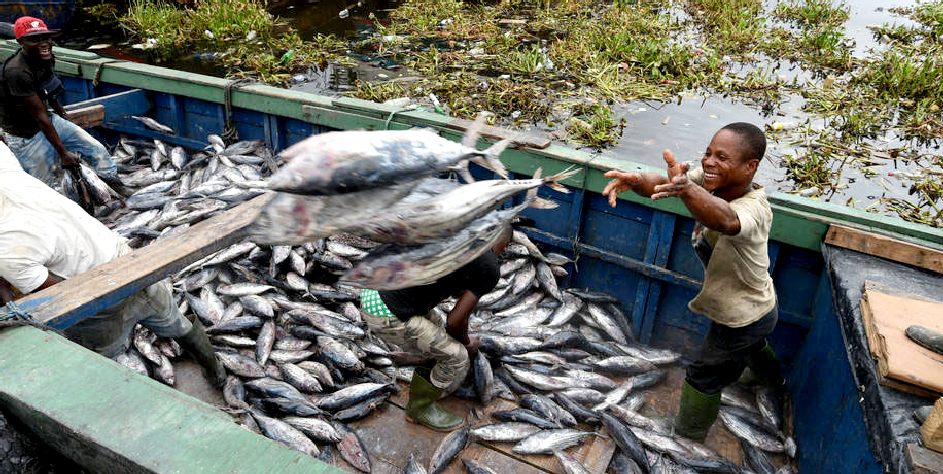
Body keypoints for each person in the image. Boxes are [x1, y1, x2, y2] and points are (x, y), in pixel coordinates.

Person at [602, 122, 781, 441]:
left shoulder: (756, 209)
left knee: (703, 375)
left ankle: (687, 437)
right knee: (752, 348)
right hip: (760, 307)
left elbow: (726, 220)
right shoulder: (710, 181)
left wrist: (686, 188)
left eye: (722, 157)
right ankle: (771, 380)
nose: (710, 162)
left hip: (744, 316)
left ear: (749, 167)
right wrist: (639, 180)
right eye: (708, 153)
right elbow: (668, 184)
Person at [0, 142, 224, 388]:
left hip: (100, 301)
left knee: (101, 358)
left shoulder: (6, 249)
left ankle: (120, 401)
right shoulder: (7, 174)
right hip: (131, 264)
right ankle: (216, 372)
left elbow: (60, 295)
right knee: (175, 322)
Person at [360, 228, 512, 431]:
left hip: (372, 289)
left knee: (440, 334)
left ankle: (431, 377)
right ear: (504, 245)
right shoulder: (490, 266)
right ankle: (418, 409)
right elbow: (455, 321)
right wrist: (467, 343)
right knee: (457, 356)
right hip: (384, 312)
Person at [0, 16, 116, 191]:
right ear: (21, 42)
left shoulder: (45, 57)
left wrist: (62, 113)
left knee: (96, 150)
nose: (44, 43)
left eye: (46, 37)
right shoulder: (17, 72)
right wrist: (63, 154)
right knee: (47, 188)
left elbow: (49, 89)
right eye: (34, 39)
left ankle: (113, 186)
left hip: (48, 120)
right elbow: (39, 117)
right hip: (24, 135)